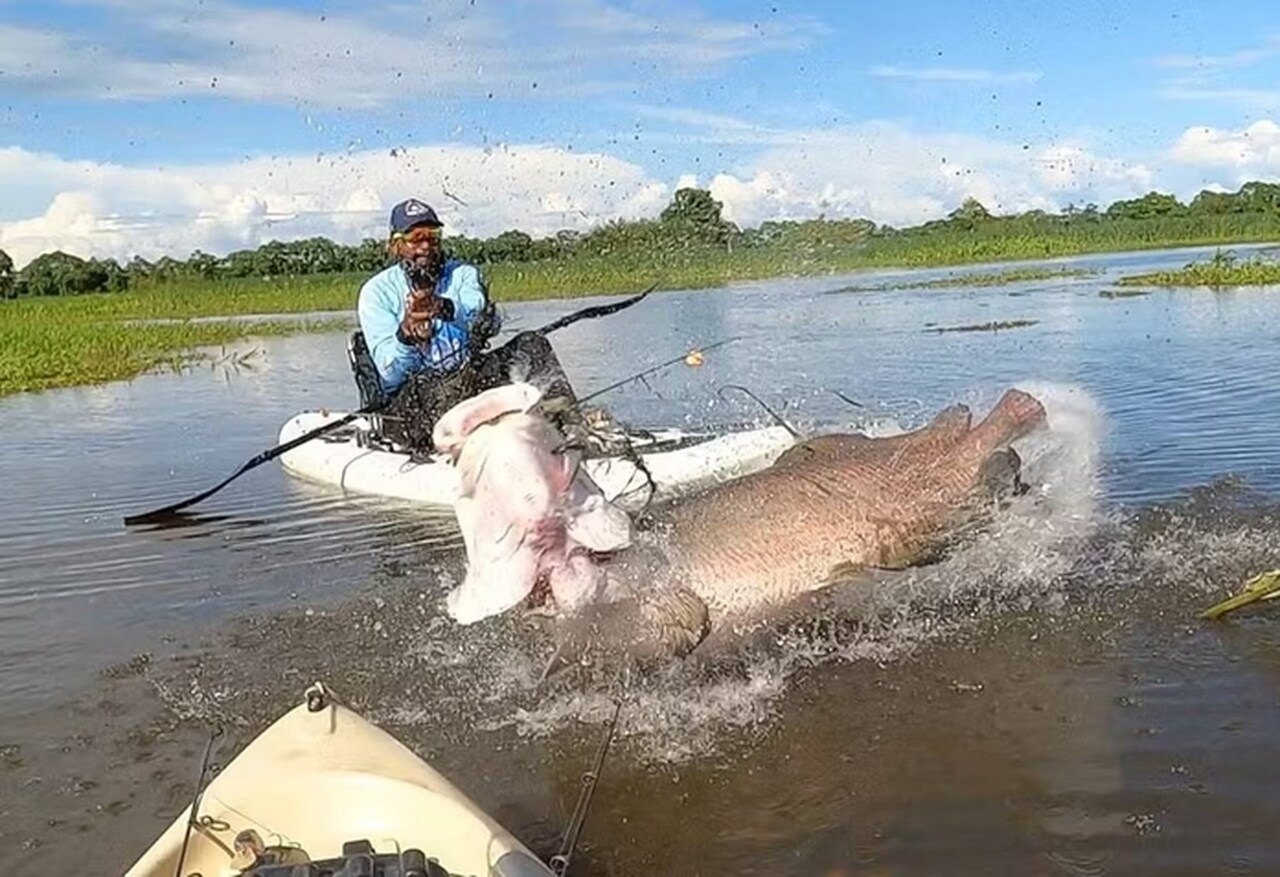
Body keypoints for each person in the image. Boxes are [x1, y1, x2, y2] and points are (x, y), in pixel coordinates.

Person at [356, 198, 581, 454]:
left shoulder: (463, 274)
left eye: (433, 236)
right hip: (412, 401)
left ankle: (573, 429)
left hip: (466, 379)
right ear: (396, 244)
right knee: (428, 385)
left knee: (532, 344)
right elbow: (390, 374)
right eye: (416, 238)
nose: (426, 246)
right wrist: (407, 336)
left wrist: (441, 306)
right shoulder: (375, 292)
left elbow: (478, 314)